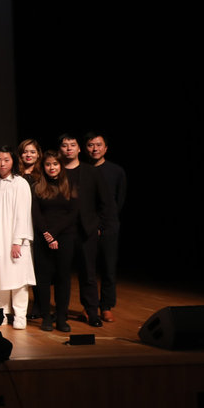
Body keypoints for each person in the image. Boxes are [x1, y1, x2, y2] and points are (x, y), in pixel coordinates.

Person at [59, 133, 115, 326]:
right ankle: (61, 313)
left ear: (79, 148)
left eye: (72, 145)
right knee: (62, 274)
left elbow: (105, 202)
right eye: (65, 145)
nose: (68, 148)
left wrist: (99, 226)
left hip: (86, 230)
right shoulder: (56, 170)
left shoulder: (91, 172)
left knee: (88, 274)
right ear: (60, 149)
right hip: (62, 231)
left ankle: (92, 312)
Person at [0, 147, 36, 329]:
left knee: (18, 278)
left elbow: (23, 214)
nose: (2, 164)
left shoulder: (20, 183)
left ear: (13, 161)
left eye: (6, 160)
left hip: (15, 238)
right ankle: (3, 313)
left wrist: (17, 241)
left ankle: (20, 315)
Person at [31, 150, 78, 333]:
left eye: (55, 164)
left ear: (61, 165)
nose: (52, 167)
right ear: (43, 166)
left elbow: (73, 213)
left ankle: (61, 317)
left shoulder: (70, 185)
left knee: (63, 278)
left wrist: (54, 234)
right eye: (48, 164)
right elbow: (36, 213)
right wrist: (47, 234)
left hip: (65, 236)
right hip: (43, 237)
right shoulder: (37, 186)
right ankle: (46, 317)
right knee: (42, 279)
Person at [85, 131, 126, 323]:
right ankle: (90, 305)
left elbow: (119, 200)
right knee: (88, 269)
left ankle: (106, 306)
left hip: (109, 226)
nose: (95, 148)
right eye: (91, 145)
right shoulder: (83, 170)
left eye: (98, 145)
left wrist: (105, 223)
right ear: (85, 148)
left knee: (108, 268)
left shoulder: (116, 171)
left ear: (106, 148)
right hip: (87, 226)